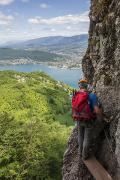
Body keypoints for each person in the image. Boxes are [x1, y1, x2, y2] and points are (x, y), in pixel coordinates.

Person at [72, 79, 104, 160]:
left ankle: (80, 153)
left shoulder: (76, 95)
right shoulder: (92, 95)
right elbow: (96, 110)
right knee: (87, 138)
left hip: (78, 118)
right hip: (88, 120)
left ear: (80, 86)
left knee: (80, 136)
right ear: (87, 85)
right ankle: (84, 155)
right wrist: (101, 118)